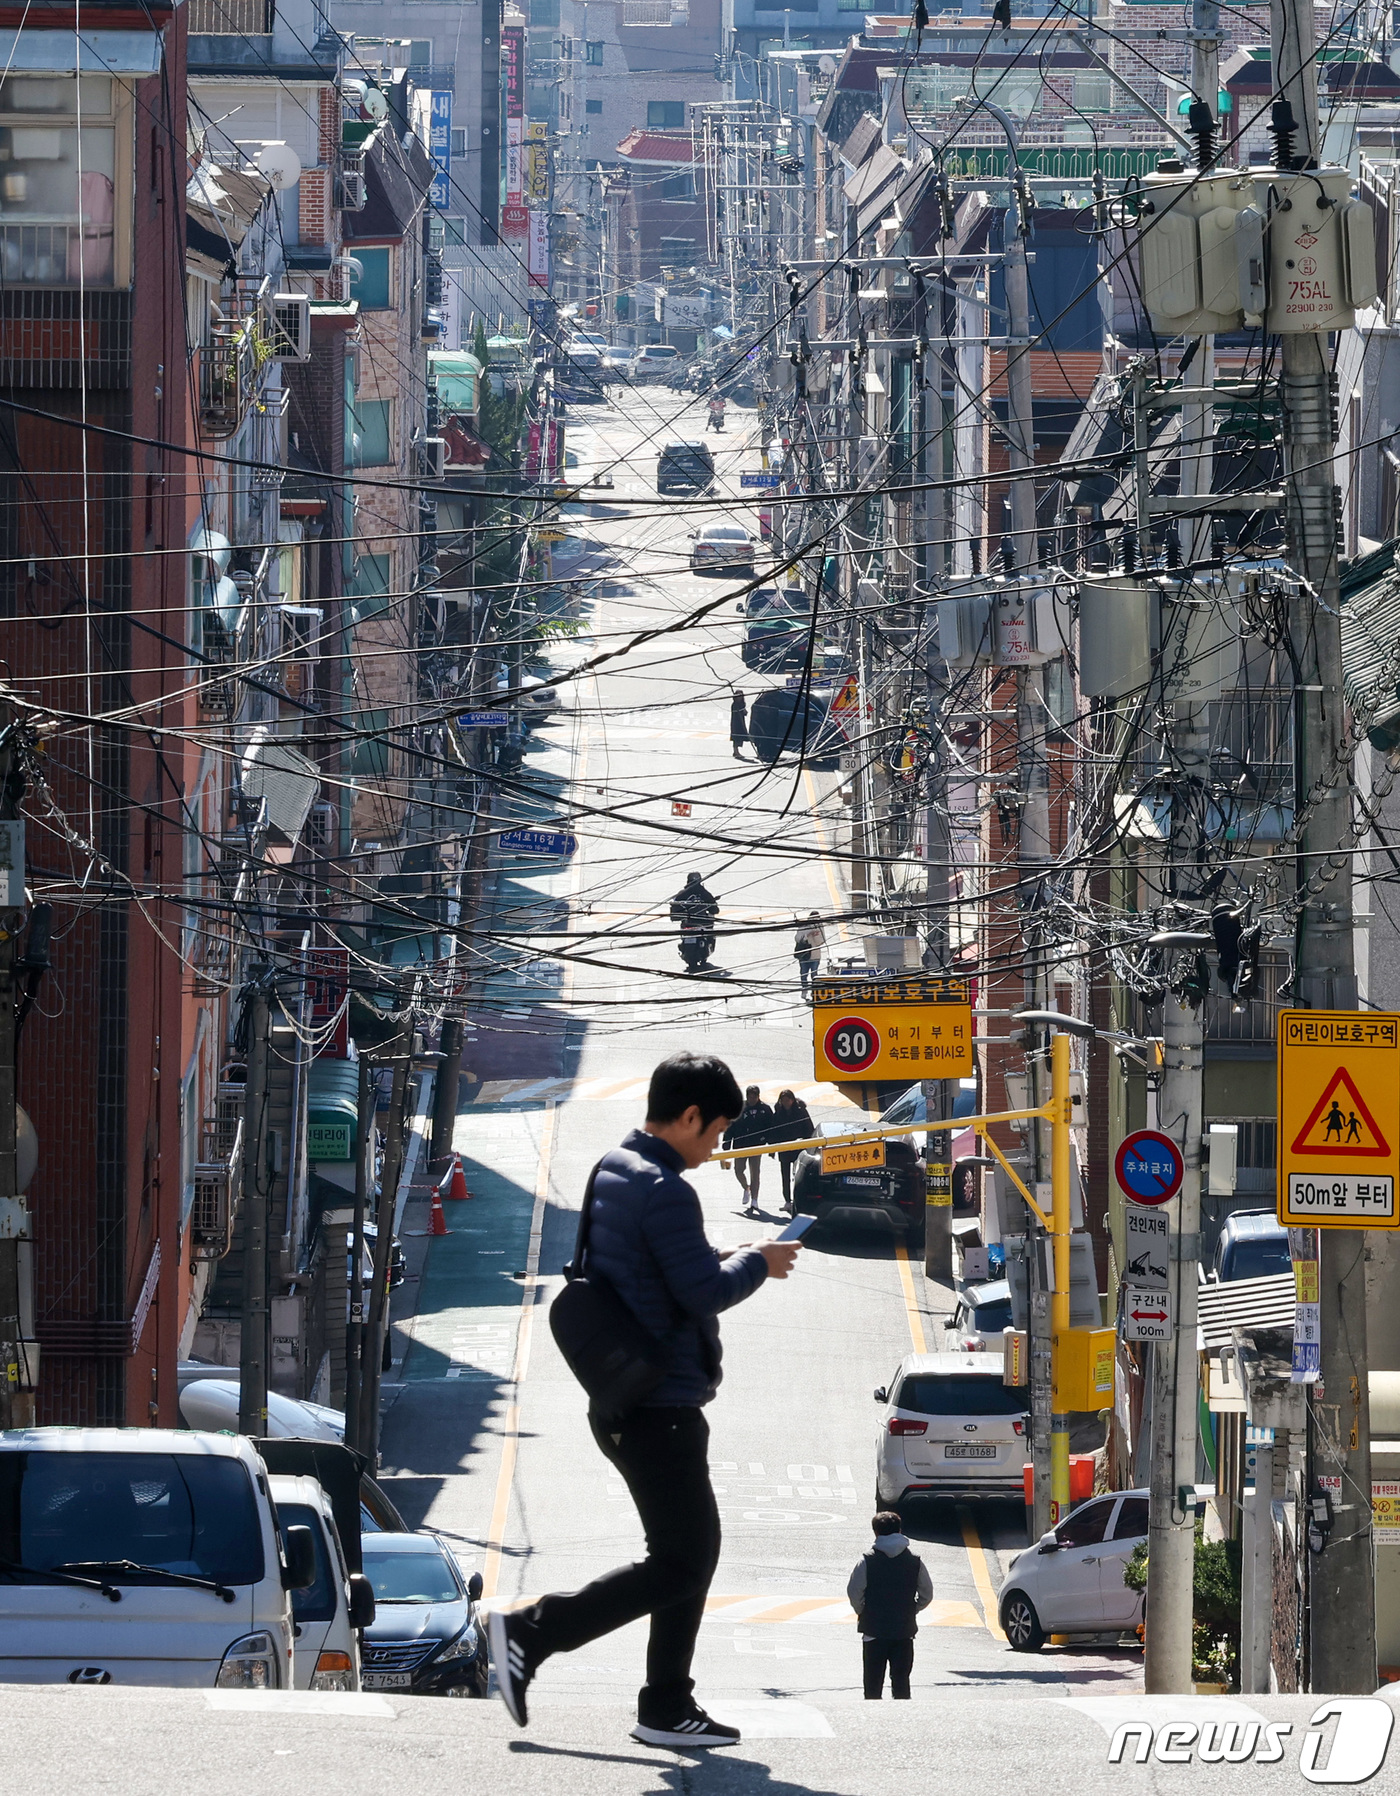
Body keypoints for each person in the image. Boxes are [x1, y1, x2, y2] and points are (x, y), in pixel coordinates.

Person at [488, 1053, 802, 1748]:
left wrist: (728, 1251)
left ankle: (666, 1705)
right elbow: (702, 1293)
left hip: (626, 1397)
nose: (716, 1146)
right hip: (659, 1406)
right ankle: (533, 1634)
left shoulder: (615, 1169)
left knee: (685, 1551)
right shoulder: (667, 1190)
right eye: (716, 1131)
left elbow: (651, 1268)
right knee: (684, 1560)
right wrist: (759, 1262)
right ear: (690, 1117)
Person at [846, 1510, 933, 1700]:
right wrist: (912, 1609)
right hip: (904, 1631)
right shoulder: (914, 1561)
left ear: (876, 1532)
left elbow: (854, 1592)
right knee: (901, 1681)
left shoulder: (867, 1560)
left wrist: (864, 1611)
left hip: (873, 1631)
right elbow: (927, 1594)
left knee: (873, 1684)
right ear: (900, 1530)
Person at [722, 1085, 774, 1214]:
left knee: (755, 1172)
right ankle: (746, 1188)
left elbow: (771, 1127)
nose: (752, 1099)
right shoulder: (739, 1108)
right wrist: (726, 1142)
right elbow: (730, 1126)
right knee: (738, 1170)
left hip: (756, 1145)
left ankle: (755, 1199)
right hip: (740, 1144)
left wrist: (770, 1144)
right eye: (750, 1096)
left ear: (758, 1096)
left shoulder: (765, 1109)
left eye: (754, 1096)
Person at [767, 1088, 814, 1213]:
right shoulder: (778, 1112)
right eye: (783, 1100)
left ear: (792, 1100)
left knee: (798, 1176)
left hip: (799, 1149)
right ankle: (787, 1201)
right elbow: (774, 1130)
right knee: (785, 1175)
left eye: (787, 1100)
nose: (785, 1103)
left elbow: (809, 1128)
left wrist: (807, 1144)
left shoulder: (800, 1111)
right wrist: (772, 1149)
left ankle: (798, 1200)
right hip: (784, 1149)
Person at [794, 911, 826, 992]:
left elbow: (821, 941)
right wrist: (807, 935)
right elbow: (797, 939)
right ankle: (804, 989)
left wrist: (815, 935)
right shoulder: (804, 926)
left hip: (815, 956)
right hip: (804, 954)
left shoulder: (820, 927)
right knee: (803, 974)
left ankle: (814, 991)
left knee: (814, 974)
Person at [729, 690, 748, 760]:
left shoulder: (742, 704)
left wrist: (744, 712)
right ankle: (735, 751)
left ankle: (737, 751)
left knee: (740, 737)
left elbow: (744, 712)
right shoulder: (734, 704)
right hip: (735, 722)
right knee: (736, 737)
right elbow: (737, 712)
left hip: (741, 722)